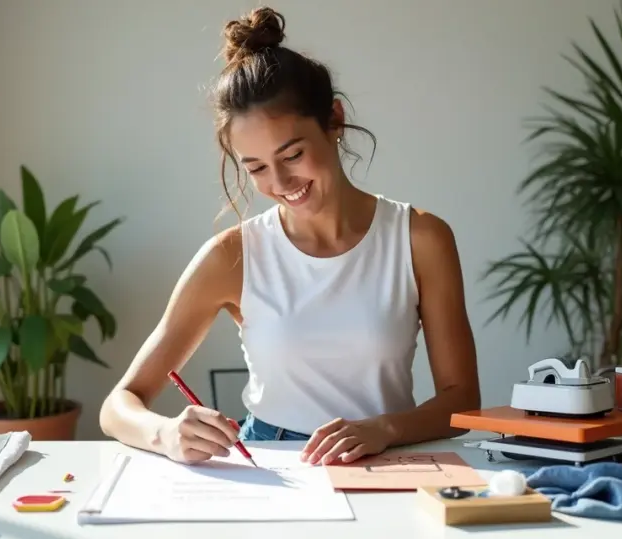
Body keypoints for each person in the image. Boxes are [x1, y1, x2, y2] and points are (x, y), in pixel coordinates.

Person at [99, 6, 480, 466]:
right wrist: (166, 433)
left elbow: (462, 400)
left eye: (293, 154)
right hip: (268, 460)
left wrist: (385, 428)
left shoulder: (421, 238)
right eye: (256, 167)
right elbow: (119, 405)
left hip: (386, 455)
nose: (279, 183)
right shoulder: (232, 256)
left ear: (334, 121)